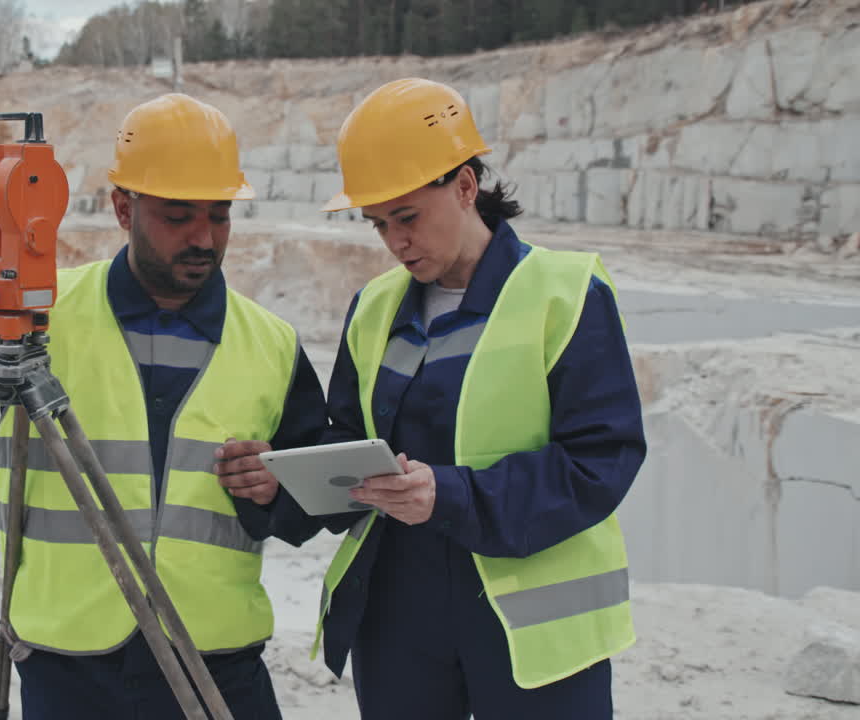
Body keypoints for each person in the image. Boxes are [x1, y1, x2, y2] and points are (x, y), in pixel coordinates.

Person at [0, 93, 326, 719]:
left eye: (219, 215)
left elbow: (315, 502)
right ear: (122, 208)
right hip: (70, 667)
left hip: (217, 664)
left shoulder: (272, 344)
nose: (204, 237)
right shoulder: (39, 315)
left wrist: (277, 492)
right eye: (178, 214)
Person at [218, 78, 647, 719]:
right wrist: (283, 483)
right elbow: (350, 444)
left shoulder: (564, 294)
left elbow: (600, 460)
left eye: (409, 216)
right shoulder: (375, 308)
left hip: (530, 625)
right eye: (380, 224)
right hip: (399, 614)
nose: (396, 242)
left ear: (467, 187)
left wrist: (449, 495)